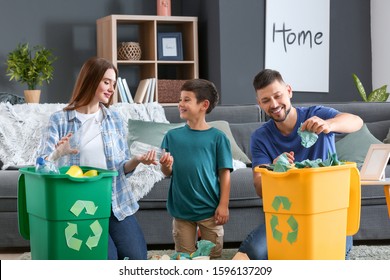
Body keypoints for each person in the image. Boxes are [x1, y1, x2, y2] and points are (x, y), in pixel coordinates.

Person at [38, 57, 158, 260]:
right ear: (91, 80)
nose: (111, 88)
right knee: (107, 259)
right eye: (106, 82)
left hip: (115, 201)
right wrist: (59, 153)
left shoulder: (114, 119)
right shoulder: (59, 120)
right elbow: (40, 169)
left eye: (113, 83)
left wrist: (136, 160)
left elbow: (120, 169)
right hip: (80, 205)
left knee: (138, 258)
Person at [237, 69, 363, 260]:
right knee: (254, 252)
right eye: (265, 100)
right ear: (259, 103)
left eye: (278, 96)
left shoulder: (316, 115)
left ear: (289, 91)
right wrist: (273, 169)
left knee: (327, 257)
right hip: (287, 216)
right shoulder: (260, 137)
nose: (274, 104)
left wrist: (329, 125)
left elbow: (356, 121)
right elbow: (259, 186)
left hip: (330, 213)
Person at [159, 79, 233, 258]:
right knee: (184, 257)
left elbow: (224, 174)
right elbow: (168, 173)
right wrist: (165, 166)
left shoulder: (218, 138)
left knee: (212, 257)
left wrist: (223, 205)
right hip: (182, 211)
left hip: (210, 211)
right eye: (180, 100)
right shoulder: (172, 136)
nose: (180, 104)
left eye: (186, 100)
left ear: (204, 105)